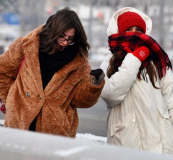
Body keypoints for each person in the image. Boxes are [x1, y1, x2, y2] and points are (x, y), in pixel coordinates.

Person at [0, 8, 105, 137]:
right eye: (62, 36)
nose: (65, 42)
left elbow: (81, 101)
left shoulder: (79, 61)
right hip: (18, 125)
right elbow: (2, 72)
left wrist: (93, 85)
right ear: (52, 31)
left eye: (70, 38)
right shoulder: (25, 46)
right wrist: (11, 101)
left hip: (55, 133)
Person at [100, 7, 173, 155]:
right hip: (126, 141)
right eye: (129, 29)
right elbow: (111, 95)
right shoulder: (109, 61)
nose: (135, 33)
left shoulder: (158, 61)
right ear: (120, 32)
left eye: (138, 30)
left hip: (160, 141)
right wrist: (135, 58)